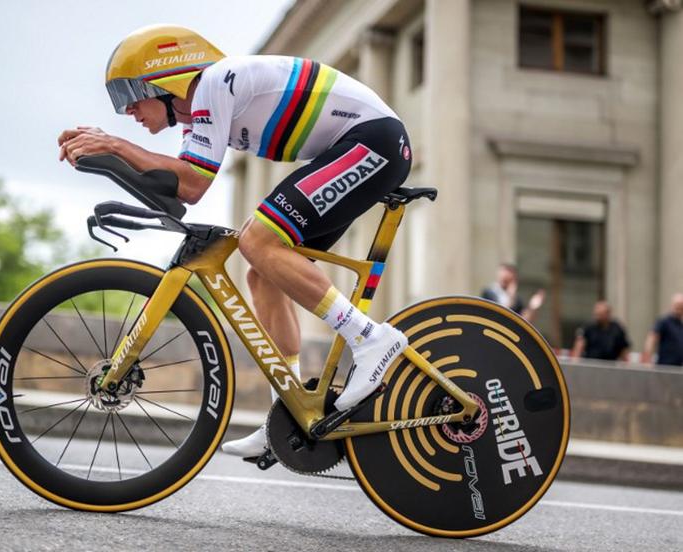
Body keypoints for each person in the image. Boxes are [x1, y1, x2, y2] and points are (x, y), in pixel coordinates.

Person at [57, 25, 413, 457]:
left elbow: (193, 181)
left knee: (257, 240)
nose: (128, 109)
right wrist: (106, 157)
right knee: (261, 274)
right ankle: (292, 408)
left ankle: (371, 338)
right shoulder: (197, 119)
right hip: (355, 146)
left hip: (374, 140)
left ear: (166, 82)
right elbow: (183, 191)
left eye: (132, 92)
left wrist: (115, 144)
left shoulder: (211, 85)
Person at [480, 263, 545, 322]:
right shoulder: (489, 293)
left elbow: (523, 321)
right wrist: (511, 295)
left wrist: (532, 307)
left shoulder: (516, 300)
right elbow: (500, 315)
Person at [642, 293, 683, 367]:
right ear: (672, 305)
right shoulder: (664, 321)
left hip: (678, 367)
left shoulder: (680, 325)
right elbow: (652, 338)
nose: (679, 308)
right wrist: (647, 360)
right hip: (664, 366)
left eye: (681, 305)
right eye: (677, 305)